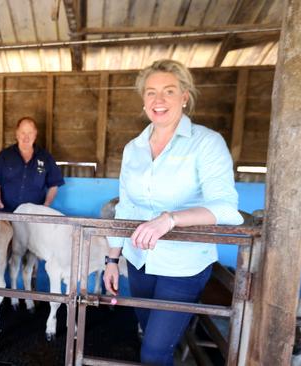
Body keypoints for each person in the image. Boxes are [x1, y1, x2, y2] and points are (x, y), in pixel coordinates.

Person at [102, 59, 243, 366]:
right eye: (151, 92)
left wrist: (171, 219)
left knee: (153, 352)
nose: (159, 100)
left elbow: (227, 208)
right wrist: (112, 259)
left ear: (184, 96)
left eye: (169, 91)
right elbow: (125, 206)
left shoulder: (206, 143)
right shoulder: (133, 148)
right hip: (139, 260)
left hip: (184, 264)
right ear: (143, 100)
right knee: (148, 332)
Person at [0, 117, 65, 212]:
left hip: (34, 216)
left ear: (35, 134)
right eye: (23, 133)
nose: (26, 137)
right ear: (17, 134)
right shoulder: (4, 156)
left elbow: (54, 185)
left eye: (30, 133)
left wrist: (46, 205)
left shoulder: (46, 157)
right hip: (6, 212)